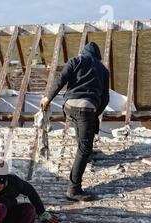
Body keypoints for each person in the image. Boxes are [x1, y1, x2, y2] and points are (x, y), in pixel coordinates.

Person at [40, 42, 110, 201]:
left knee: (81, 124)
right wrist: (95, 113)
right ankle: (73, 189)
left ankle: (88, 152)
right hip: (87, 108)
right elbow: (105, 98)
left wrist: (47, 98)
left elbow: (60, 79)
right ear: (98, 57)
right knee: (84, 148)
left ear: (84, 52)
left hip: (69, 106)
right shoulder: (103, 70)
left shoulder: (75, 61)